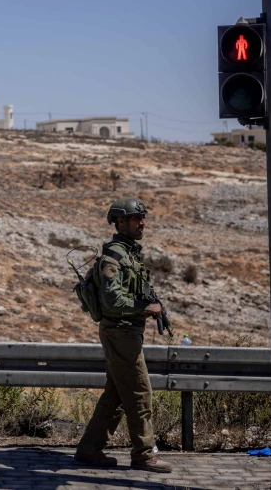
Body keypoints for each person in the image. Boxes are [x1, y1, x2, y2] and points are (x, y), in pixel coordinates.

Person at [74, 197, 173, 473]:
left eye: (143, 218)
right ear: (120, 222)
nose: (142, 223)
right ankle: (144, 455)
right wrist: (146, 308)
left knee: (116, 395)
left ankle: (89, 450)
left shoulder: (128, 253)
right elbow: (111, 301)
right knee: (140, 392)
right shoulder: (114, 258)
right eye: (136, 218)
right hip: (120, 333)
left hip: (126, 333)